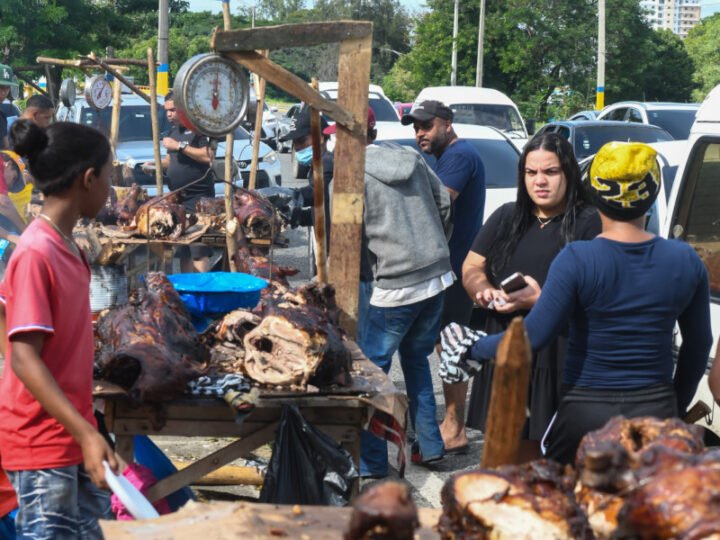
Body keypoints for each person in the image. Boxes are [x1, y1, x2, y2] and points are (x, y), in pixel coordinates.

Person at [464, 141, 712, 464]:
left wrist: (471, 347)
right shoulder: (686, 259)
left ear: (595, 193)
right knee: (643, 506)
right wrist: (676, 403)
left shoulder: (577, 258)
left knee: (568, 503)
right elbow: (699, 342)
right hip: (656, 405)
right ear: (651, 195)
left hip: (584, 410)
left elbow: (532, 336)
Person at [0, 119, 118, 538]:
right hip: (41, 444)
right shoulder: (37, 252)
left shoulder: (68, 247)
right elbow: (23, 357)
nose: (111, 187)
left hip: (72, 434)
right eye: (109, 175)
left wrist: (91, 429)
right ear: (88, 179)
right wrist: (86, 432)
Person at [453, 132, 601, 460]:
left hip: (558, 358)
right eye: (531, 173)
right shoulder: (507, 216)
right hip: (505, 353)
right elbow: (471, 267)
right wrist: (484, 292)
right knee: (503, 459)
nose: (540, 182)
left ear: (569, 174)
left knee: (552, 465)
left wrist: (541, 300)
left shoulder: (590, 223)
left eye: (550, 172)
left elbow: (599, 297)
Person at [358, 119, 454, 477]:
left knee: (371, 374)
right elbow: (444, 204)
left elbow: (349, 237)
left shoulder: (351, 176)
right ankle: (430, 445)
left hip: (395, 284)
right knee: (416, 360)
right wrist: (434, 247)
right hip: (436, 275)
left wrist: (375, 270)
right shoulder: (411, 157)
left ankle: (370, 462)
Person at [401, 99, 486, 453]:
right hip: (445, 267)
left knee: (450, 344)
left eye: (427, 125)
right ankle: (447, 424)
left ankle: (455, 429)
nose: (420, 133)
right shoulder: (446, 157)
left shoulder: (460, 156)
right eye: (416, 127)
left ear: (447, 124)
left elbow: (439, 203)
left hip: (455, 268)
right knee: (438, 343)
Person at [145, 91, 214, 271]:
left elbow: (208, 156)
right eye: (167, 110)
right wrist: (156, 164)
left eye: (173, 110)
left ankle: (202, 290)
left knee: (198, 248)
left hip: (198, 198)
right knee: (183, 248)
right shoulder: (174, 131)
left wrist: (179, 146)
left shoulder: (199, 130)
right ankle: (186, 289)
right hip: (178, 199)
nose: (169, 114)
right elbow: (171, 161)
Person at [0, 65, 19, 150]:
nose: (4, 92)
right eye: (0, 87)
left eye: (7, 88)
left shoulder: (1, 115)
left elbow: (6, 146)